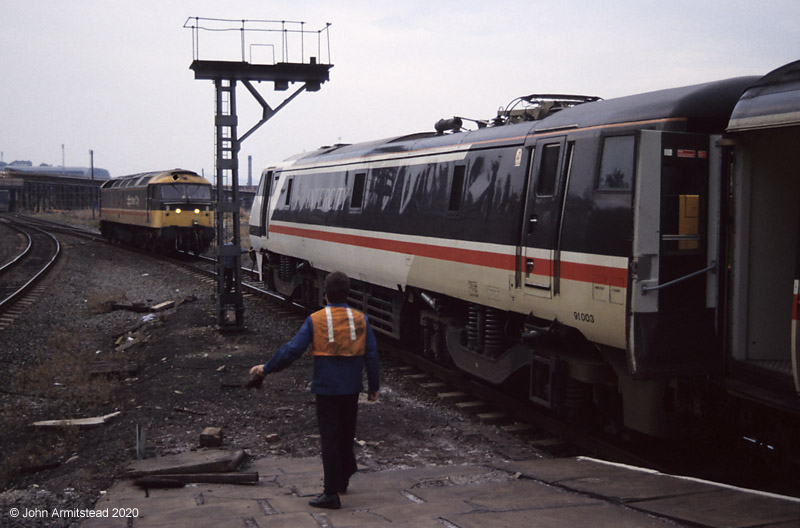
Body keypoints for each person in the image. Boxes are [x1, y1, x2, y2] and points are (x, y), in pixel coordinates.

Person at [249, 270, 380, 510]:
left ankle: (331, 493)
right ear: (348, 294)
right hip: (351, 389)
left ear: (326, 294)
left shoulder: (316, 319)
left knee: (330, 439)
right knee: (346, 434)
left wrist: (266, 369)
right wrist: (374, 388)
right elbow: (371, 356)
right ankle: (344, 475)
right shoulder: (361, 319)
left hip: (327, 390)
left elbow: (292, 350)